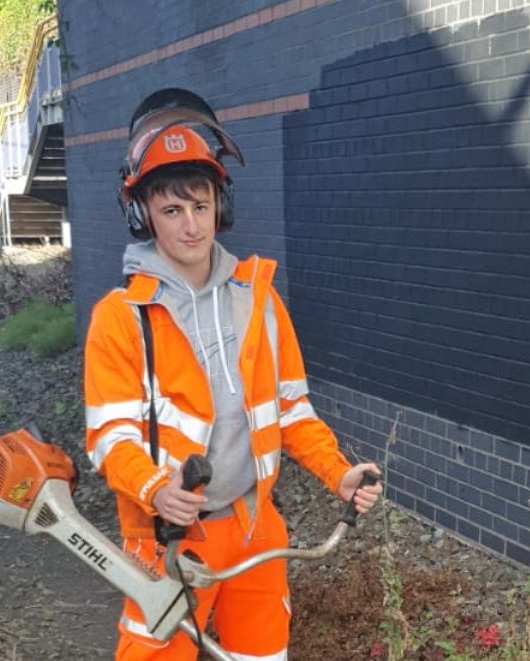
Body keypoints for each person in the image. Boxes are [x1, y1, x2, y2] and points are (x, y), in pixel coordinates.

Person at [84, 88, 383, 661]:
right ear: (142, 213)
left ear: (221, 204)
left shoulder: (261, 302)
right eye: (172, 211)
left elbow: (292, 411)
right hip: (169, 538)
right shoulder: (120, 320)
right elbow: (110, 437)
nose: (191, 226)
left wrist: (338, 474)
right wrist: (155, 489)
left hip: (254, 529)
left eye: (200, 205)